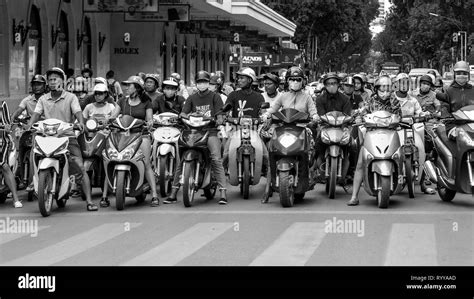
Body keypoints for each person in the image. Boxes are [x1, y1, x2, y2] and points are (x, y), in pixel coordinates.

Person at [27, 67, 98, 211]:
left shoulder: (71, 97)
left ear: (63, 81)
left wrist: (81, 123)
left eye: (55, 79)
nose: (52, 83)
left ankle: (89, 201)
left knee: (79, 167)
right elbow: (36, 114)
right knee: (33, 156)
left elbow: (78, 111)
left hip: (67, 136)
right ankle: (33, 183)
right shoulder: (43, 98)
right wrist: (28, 126)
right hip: (46, 136)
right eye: (50, 80)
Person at [164, 71, 227, 205]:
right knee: (181, 160)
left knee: (216, 158)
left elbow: (220, 114)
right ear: (196, 83)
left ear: (208, 83)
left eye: (204, 82)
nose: (202, 84)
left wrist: (219, 119)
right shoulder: (192, 98)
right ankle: (174, 192)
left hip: (210, 132)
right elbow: (183, 113)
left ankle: (223, 192)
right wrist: (182, 117)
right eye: (199, 82)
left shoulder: (215, 97)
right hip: (192, 132)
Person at [347, 75, 401, 206]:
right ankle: (354, 196)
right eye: (382, 89)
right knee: (360, 162)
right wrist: (358, 117)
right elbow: (362, 112)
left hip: (390, 134)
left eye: (388, 89)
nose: (385, 93)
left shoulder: (394, 101)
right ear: (376, 89)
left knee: (401, 155)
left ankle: (404, 176)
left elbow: (399, 116)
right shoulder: (371, 101)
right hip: (372, 134)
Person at [109, 75, 160, 207]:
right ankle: (105, 195)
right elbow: (114, 115)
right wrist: (107, 120)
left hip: (141, 135)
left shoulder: (146, 101)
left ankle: (154, 195)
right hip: (123, 135)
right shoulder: (122, 101)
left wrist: (149, 123)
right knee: (111, 158)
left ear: (137, 88)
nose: (126, 88)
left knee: (146, 163)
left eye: (129, 85)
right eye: (125, 85)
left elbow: (149, 118)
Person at [222, 67, 266, 174]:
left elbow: (263, 113)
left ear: (250, 80)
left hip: (254, 129)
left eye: (242, 78)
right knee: (226, 152)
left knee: (265, 154)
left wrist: (263, 118)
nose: (239, 80)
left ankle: (268, 175)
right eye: (238, 78)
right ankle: (221, 172)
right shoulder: (233, 95)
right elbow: (225, 113)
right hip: (236, 129)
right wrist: (228, 118)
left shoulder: (259, 97)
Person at [314, 72, 353, 179]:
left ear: (338, 84)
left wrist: (347, 123)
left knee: (352, 145)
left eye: (334, 83)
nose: (332, 85)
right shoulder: (320, 99)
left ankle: (351, 171)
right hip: (325, 127)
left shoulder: (345, 99)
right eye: (329, 83)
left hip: (341, 127)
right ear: (325, 85)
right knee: (316, 144)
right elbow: (320, 114)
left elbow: (347, 115)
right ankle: (314, 167)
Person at [11, 74, 47, 190]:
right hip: (30, 130)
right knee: (21, 147)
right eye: (34, 84)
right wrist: (10, 120)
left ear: (44, 86)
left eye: (39, 84)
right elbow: (18, 111)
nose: (36, 87)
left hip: (45, 131)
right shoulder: (27, 100)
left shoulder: (47, 99)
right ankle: (21, 176)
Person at [409, 74, 441, 194]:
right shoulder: (412, 95)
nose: (425, 86)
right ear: (420, 84)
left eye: (428, 84)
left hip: (429, 126)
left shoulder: (434, 96)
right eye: (423, 84)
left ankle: (433, 178)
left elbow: (438, 107)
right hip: (413, 125)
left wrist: (435, 112)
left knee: (431, 151)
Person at [436, 61, 474, 140]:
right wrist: (448, 120)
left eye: (464, 73)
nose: (461, 76)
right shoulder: (449, 91)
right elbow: (445, 108)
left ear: (468, 75)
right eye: (459, 73)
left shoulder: (473, 90)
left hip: (471, 125)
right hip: (454, 126)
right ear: (454, 75)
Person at [0, 101, 22, 208]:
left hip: (2, 141)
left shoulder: (2, 104)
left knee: (4, 165)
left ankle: (15, 198)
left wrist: (6, 126)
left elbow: (7, 123)